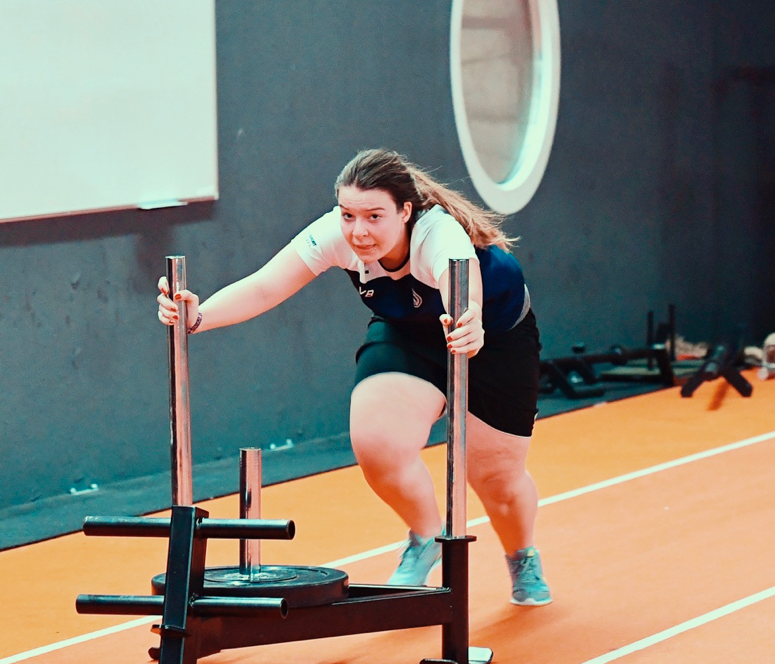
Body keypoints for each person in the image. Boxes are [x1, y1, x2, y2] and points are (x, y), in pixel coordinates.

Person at [155, 148, 552, 605]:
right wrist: (197, 316)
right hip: (406, 334)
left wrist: (470, 319)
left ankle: (522, 554)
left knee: (494, 478)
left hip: (490, 335)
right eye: (348, 215)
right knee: (377, 440)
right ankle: (427, 538)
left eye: (374, 216)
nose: (358, 231)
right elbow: (267, 285)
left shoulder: (437, 234)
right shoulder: (337, 235)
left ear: (406, 211)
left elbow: (460, 283)